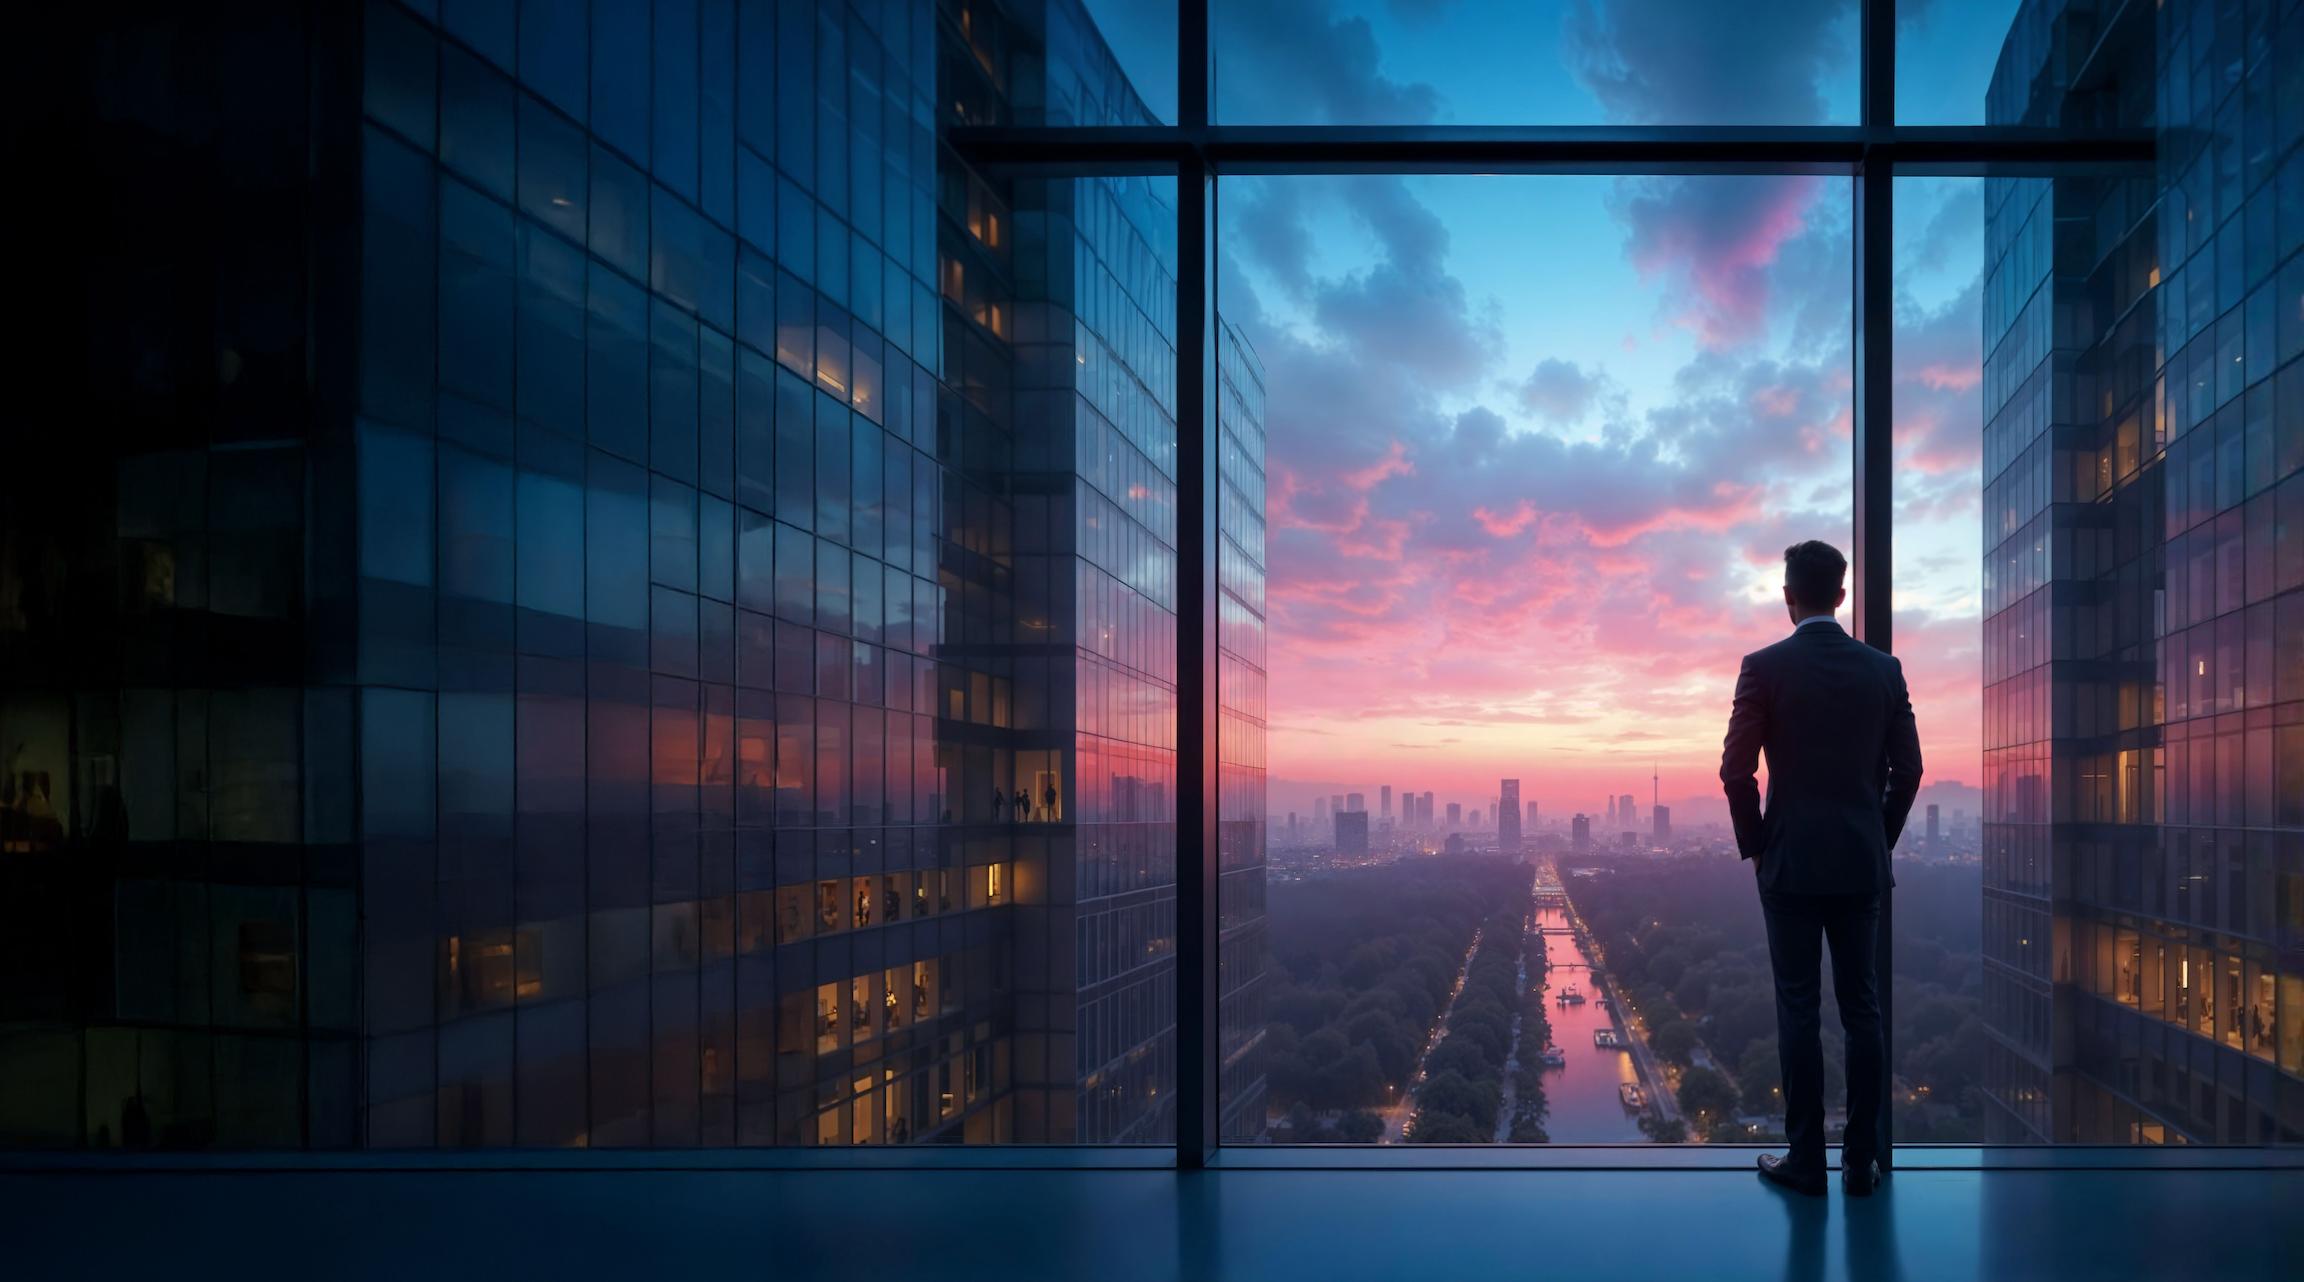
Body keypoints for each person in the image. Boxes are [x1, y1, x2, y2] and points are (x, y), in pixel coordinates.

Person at [1720, 540, 1921, 1199]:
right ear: (1840, 596)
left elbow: (1735, 770)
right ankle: (1860, 1163)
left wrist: (1758, 846)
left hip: (1792, 866)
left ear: (1788, 597)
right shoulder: (1883, 670)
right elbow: (1910, 770)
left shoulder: (1763, 668)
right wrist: (1876, 841)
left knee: (1797, 1009)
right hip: (1858, 864)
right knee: (1863, 1009)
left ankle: (1807, 1160)